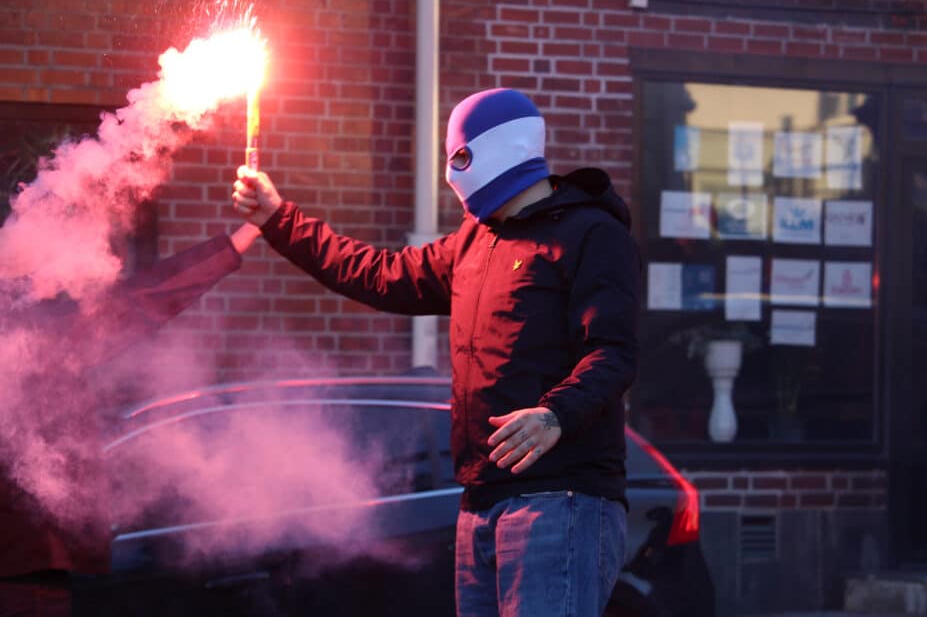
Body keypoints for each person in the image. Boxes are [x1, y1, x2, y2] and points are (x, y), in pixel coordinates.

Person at [231, 88, 640, 616]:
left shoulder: (590, 234)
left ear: (506, 147)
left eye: (461, 156)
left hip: (560, 502)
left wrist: (555, 413)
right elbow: (378, 274)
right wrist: (277, 219)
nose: (453, 170)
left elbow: (613, 352)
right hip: (478, 503)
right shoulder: (473, 242)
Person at [0, 223, 260, 616]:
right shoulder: (33, 334)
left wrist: (235, 243)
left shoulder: (31, 330)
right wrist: (239, 241)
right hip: (23, 570)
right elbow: (136, 305)